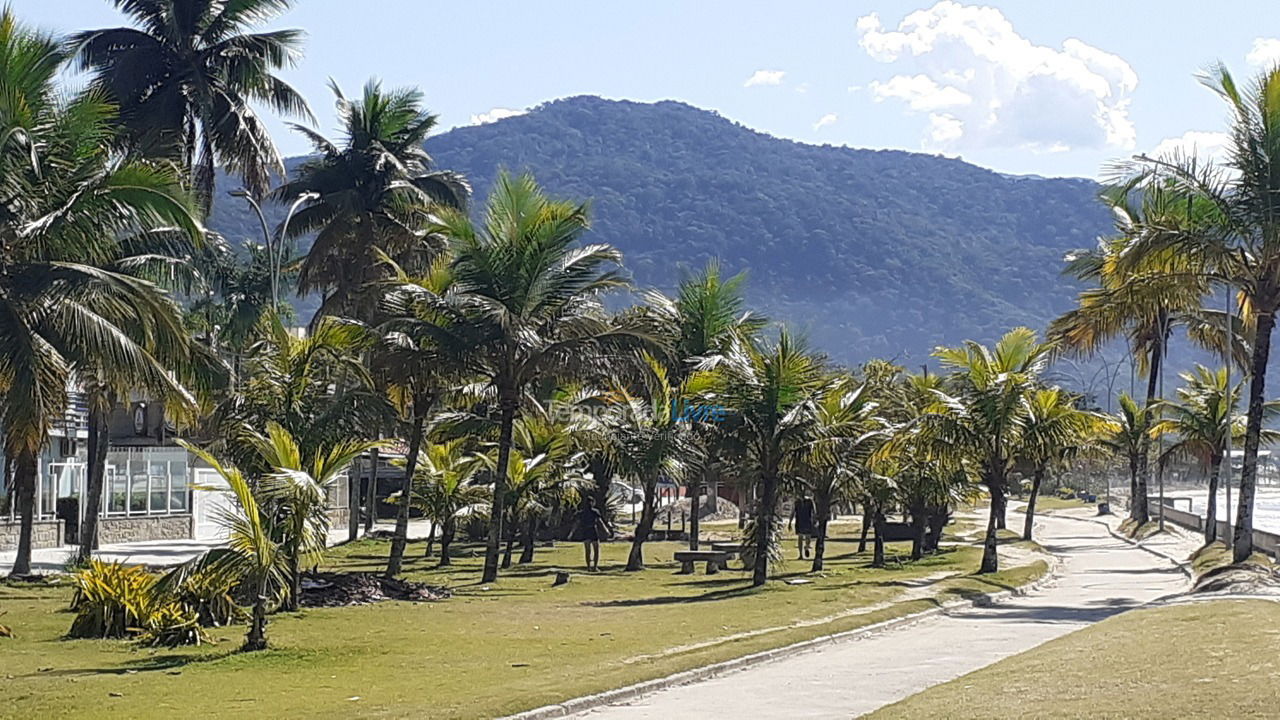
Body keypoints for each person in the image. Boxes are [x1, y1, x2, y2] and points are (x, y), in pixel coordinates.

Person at [575, 496, 609, 571]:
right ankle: (594, 567)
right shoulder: (594, 512)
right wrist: (606, 530)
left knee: (588, 550)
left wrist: (571, 533)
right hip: (592, 530)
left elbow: (577, 523)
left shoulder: (582, 513)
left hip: (586, 531)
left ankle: (589, 567)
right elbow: (600, 522)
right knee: (595, 549)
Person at [789, 493, 816, 559]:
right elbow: (814, 512)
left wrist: (790, 522)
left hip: (800, 521)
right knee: (807, 537)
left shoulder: (797, 502)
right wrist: (815, 520)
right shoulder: (809, 501)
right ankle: (806, 547)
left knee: (801, 538)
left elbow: (793, 512)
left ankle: (801, 554)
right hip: (806, 521)